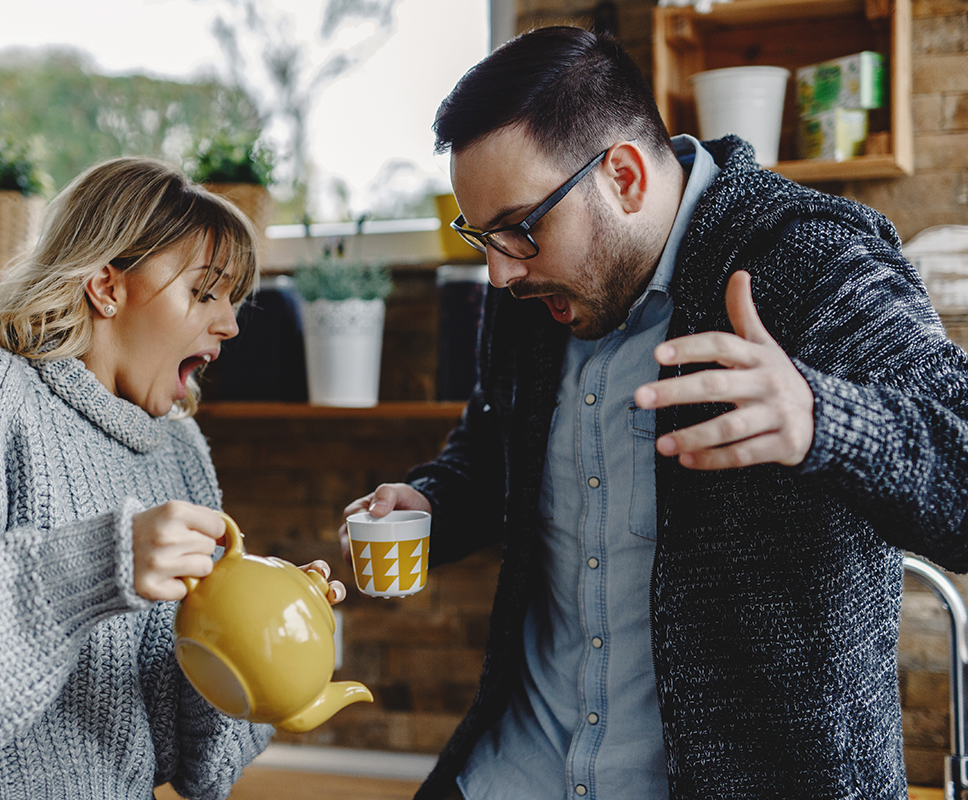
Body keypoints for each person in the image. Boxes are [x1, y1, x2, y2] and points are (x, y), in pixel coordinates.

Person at [340, 26, 968, 800]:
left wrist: (821, 419)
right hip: (516, 770)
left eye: (519, 228)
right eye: (482, 236)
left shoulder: (810, 260)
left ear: (626, 177)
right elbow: (495, 444)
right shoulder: (531, 297)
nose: (499, 272)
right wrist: (432, 500)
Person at [0, 156, 344, 799]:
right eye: (204, 292)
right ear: (106, 286)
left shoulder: (179, 449)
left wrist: (268, 634)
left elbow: (196, 764)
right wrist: (101, 563)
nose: (229, 324)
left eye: (233, 300)